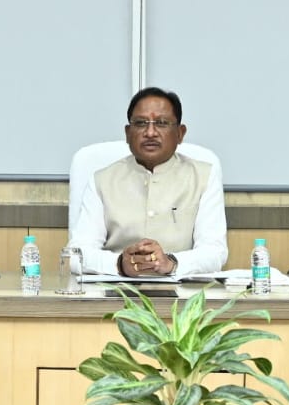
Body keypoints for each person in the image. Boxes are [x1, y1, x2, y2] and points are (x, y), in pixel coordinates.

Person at [68, 87, 228, 277]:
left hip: (181, 289)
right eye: (141, 123)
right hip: (116, 288)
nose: (150, 132)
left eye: (161, 123)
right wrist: (119, 264)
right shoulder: (101, 180)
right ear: (128, 133)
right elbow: (76, 254)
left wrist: (171, 263)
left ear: (180, 133)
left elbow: (215, 252)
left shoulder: (203, 176)